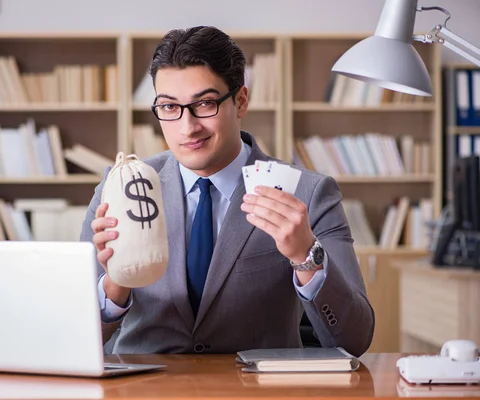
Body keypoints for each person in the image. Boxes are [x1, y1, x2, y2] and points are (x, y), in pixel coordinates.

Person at [79, 25, 374, 356]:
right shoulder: (118, 187)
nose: (187, 127)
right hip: (145, 385)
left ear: (241, 101)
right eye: (169, 107)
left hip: (254, 388)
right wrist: (115, 283)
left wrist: (307, 258)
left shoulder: (308, 192)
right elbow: (75, 332)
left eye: (205, 103)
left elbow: (355, 339)